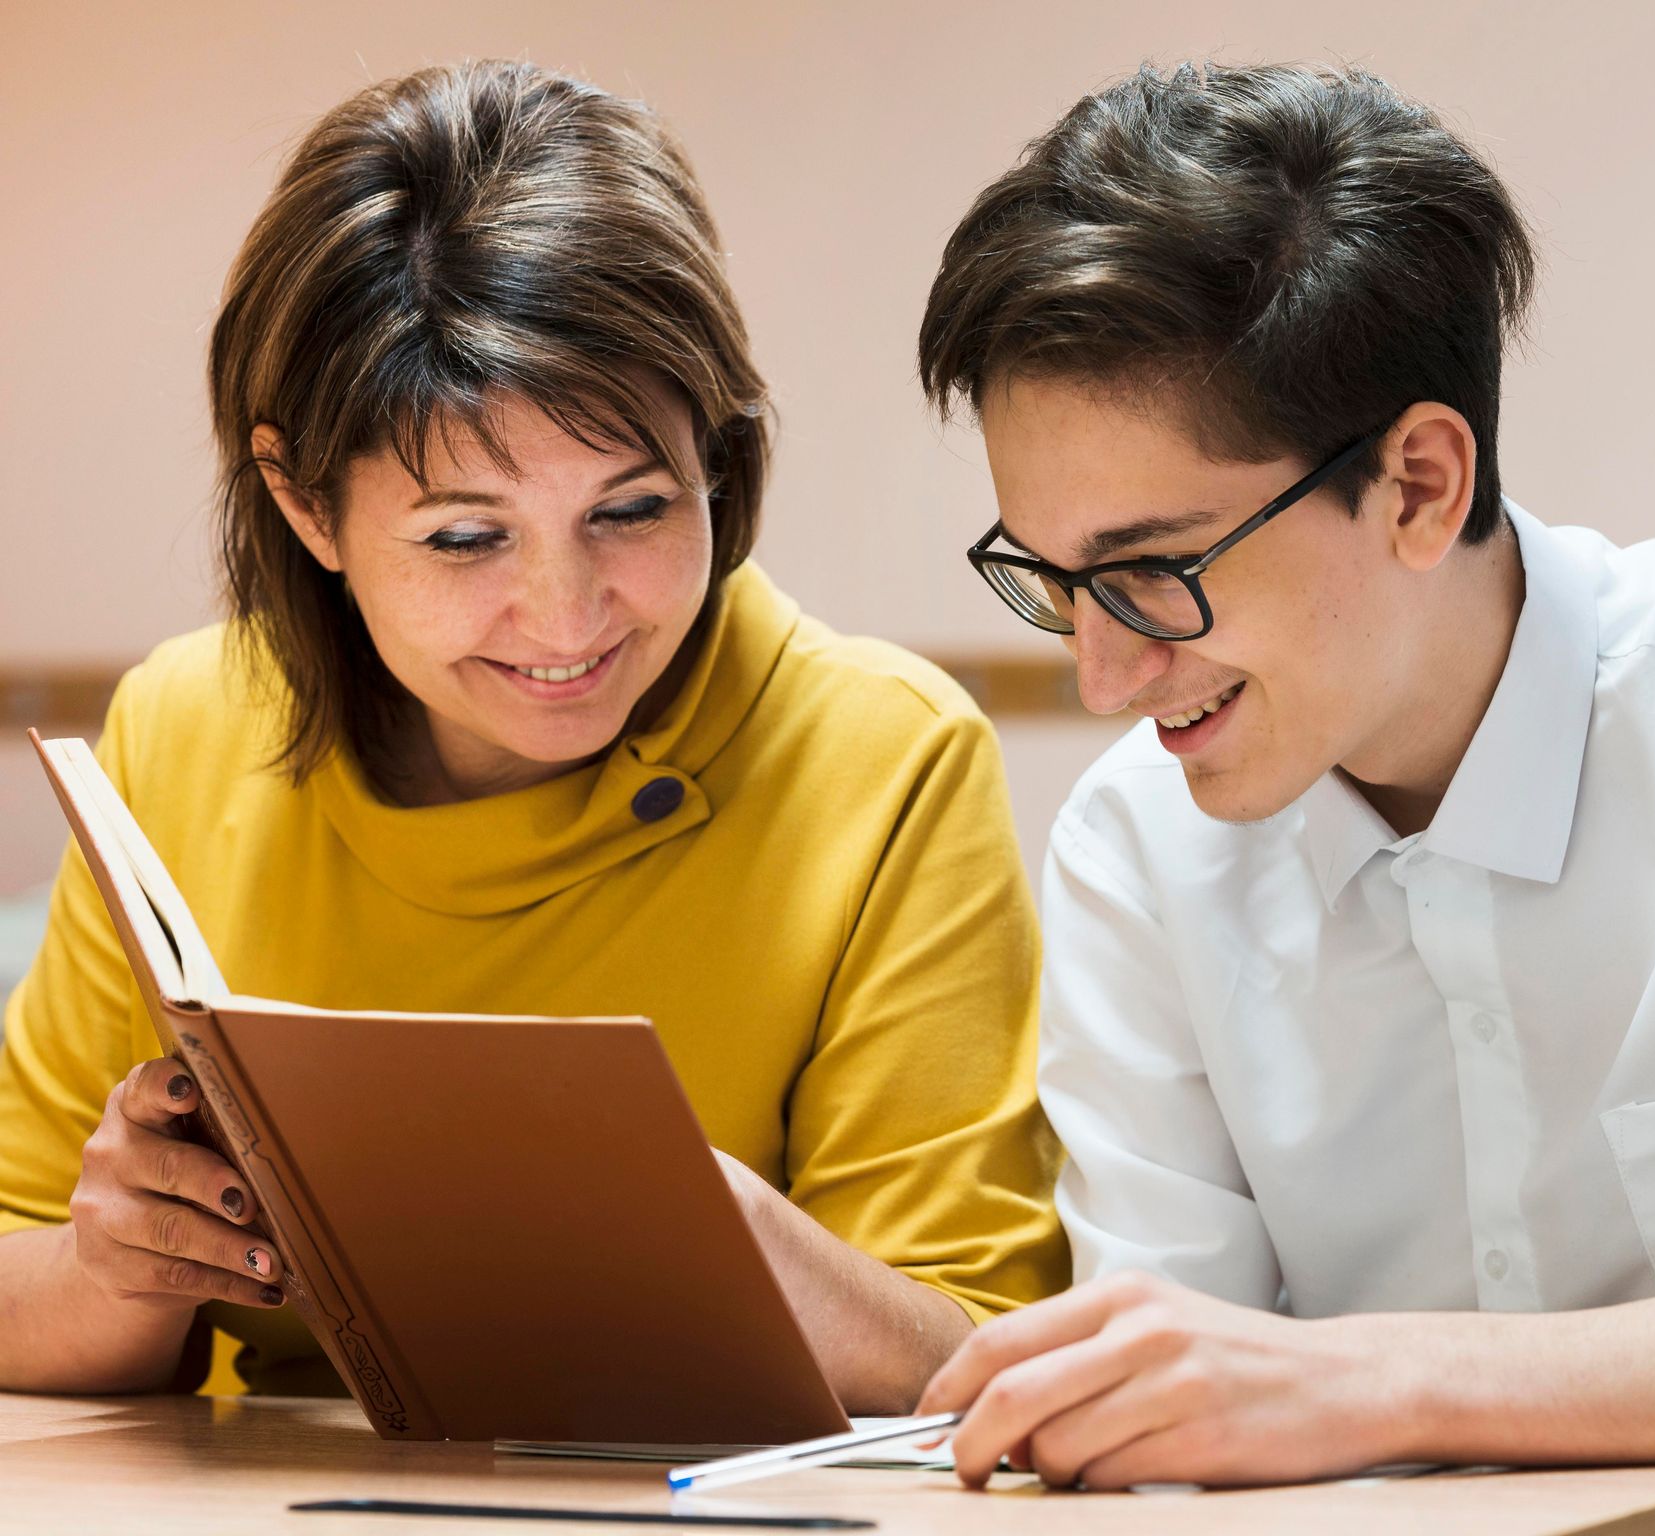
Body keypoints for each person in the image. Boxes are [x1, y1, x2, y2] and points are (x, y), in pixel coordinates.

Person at [912, 60, 1655, 1531]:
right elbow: (1153, 1425)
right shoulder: (1135, 847)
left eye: (1154, 575)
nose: (1104, 677)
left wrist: (1378, 1383)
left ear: (1422, 484)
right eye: (1054, 585)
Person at [0, 59, 1065, 1413]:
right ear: (304, 503)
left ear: (718, 464)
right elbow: (22, 1284)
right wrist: (124, 1263)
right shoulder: (180, 730)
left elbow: (975, 1363)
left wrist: (709, 1236)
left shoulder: (885, 758)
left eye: (630, 510)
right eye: (465, 536)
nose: (566, 618)